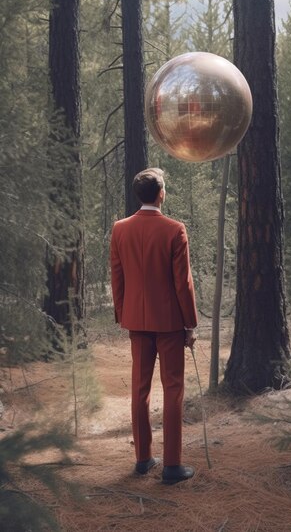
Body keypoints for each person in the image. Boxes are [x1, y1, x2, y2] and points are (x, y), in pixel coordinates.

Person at [110, 167, 198, 485]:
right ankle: (172, 465)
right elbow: (183, 283)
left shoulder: (120, 229)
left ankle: (143, 460)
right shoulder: (175, 230)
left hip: (136, 321)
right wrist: (190, 324)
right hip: (171, 323)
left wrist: (123, 314)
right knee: (173, 390)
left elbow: (116, 276)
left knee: (139, 390)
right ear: (161, 193)